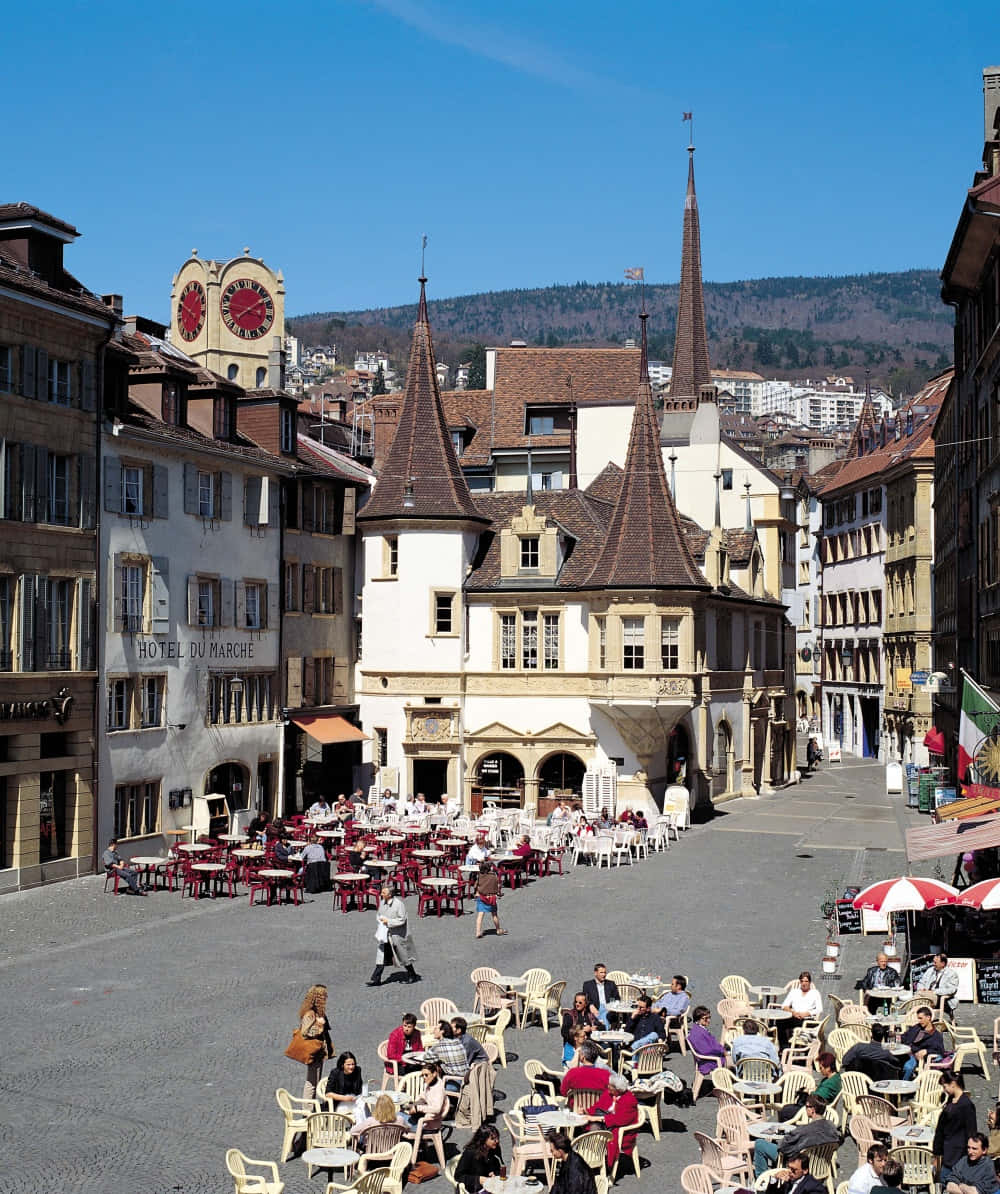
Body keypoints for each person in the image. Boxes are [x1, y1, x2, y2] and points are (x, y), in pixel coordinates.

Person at [754, 1095, 840, 1176]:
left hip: (799, 1166)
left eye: (806, 1106)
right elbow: (836, 1144)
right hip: (821, 1168)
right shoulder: (832, 1127)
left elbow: (783, 1148)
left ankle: (762, 1183)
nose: (805, 1109)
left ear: (812, 1110)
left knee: (760, 1144)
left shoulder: (804, 1130)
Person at [586, 1070, 639, 1171]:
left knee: (594, 1129)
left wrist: (597, 1118)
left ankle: (598, 1159)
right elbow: (598, 1106)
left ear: (617, 1089)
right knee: (590, 1127)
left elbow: (621, 1119)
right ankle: (595, 1155)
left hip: (620, 1128)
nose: (608, 1086)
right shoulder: (609, 1094)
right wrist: (586, 1111)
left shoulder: (629, 1100)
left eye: (610, 1086)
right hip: (607, 1122)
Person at [367, 884, 420, 986]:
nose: (381, 894)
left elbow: (402, 919)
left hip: (396, 934)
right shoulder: (382, 902)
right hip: (385, 934)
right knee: (381, 956)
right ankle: (376, 979)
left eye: (384, 893)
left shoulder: (399, 904)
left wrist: (388, 921)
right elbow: (378, 914)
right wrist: (380, 920)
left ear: (390, 894)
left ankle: (412, 974)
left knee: (402, 955)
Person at [933, 1072, 979, 1185]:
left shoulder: (966, 1105)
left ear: (953, 1084)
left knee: (949, 1182)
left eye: (945, 1086)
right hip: (948, 1150)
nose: (944, 1090)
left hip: (957, 1154)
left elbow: (971, 1132)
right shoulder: (952, 1100)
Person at [297, 983, 333, 1100]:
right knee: (312, 1083)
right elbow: (305, 1032)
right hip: (314, 1051)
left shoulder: (316, 1012)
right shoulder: (310, 1014)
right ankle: (308, 1109)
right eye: (324, 996)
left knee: (315, 1080)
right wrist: (320, 1027)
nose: (326, 998)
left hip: (319, 1051)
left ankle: (311, 1106)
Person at [560, 1040, 611, 1107]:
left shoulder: (572, 1073)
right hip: (598, 1110)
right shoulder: (605, 1075)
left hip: (576, 1108)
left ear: (582, 1057)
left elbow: (563, 1092)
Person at [454, 1124, 505, 1191]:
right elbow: (458, 1176)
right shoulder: (470, 1153)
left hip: (489, 1186)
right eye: (493, 1139)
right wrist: (478, 1179)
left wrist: (494, 1173)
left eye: (497, 1138)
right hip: (473, 1189)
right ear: (483, 1139)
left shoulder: (493, 1149)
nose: (497, 1141)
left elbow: (497, 1167)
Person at [545, 1129, 597, 1194]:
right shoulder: (567, 1159)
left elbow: (575, 1190)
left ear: (560, 1151)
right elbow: (559, 1185)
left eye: (552, 1150)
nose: (551, 1152)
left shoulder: (575, 1169)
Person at [424, 1019, 469, 1092]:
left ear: (442, 1031)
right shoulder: (458, 1042)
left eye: (436, 1029)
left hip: (454, 1083)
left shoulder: (439, 1046)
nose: (433, 1031)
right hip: (467, 1080)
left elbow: (426, 1058)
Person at [405, 1060, 448, 1135]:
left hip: (428, 1123)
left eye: (426, 1075)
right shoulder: (429, 1084)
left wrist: (417, 1108)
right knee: (399, 1114)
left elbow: (437, 1109)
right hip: (423, 1116)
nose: (424, 1077)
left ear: (434, 1074)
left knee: (398, 1122)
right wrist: (413, 1105)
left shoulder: (439, 1089)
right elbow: (423, 1096)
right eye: (423, 1075)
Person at [901, 1006, 945, 1079]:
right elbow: (905, 1036)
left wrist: (926, 1051)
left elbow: (940, 1051)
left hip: (914, 1055)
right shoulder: (917, 1027)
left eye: (920, 1018)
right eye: (918, 1018)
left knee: (908, 1067)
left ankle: (904, 1086)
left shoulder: (935, 1035)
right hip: (904, 1050)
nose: (919, 1021)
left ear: (928, 1017)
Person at [687, 1005, 729, 1079]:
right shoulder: (698, 1033)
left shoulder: (698, 1029)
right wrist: (723, 1052)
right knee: (733, 1061)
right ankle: (728, 1082)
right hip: (709, 1061)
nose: (708, 1020)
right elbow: (706, 1050)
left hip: (710, 1057)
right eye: (706, 1018)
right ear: (698, 1019)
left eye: (709, 1017)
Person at [918, 953, 961, 1019]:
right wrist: (921, 988)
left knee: (919, 998)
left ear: (943, 963)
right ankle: (915, 1017)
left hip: (940, 998)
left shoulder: (952, 974)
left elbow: (952, 989)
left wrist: (935, 992)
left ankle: (915, 1017)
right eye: (933, 962)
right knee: (918, 996)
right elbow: (921, 982)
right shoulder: (930, 970)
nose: (933, 964)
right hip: (925, 994)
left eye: (935, 962)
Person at [764, 1151, 828, 1194]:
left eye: (793, 1170)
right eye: (788, 1167)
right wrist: (775, 1179)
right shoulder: (791, 1180)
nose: (789, 1171)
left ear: (805, 1170)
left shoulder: (813, 1187)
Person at [561, 993, 599, 1065]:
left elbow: (601, 1026)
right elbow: (564, 1032)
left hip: (589, 1047)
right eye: (576, 1002)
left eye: (580, 1002)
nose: (577, 1004)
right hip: (574, 1047)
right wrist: (580, 1030)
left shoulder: (589, 1015)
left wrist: (591, 1028)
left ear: (586, 1004)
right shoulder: (570, 1015)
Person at [325, 1051, 364, 1116]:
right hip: (339, 1102)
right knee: (359, 1111)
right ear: (342, 1065)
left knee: (363, 1106)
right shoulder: (335, 1073)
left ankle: (366, 1125)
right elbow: (328, 1094)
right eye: (348, 1065)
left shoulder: (357, 1070)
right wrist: (345, 1098)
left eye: (353, 1064)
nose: (351, 1067)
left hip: (353, 1100)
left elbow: (359, 1089)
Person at [582, 963, 620, 1029]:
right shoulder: (588, 985)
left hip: (608, 1008)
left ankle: (604, 1031)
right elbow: (585, 998)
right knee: (601, 1016)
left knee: (604, 1016)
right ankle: (606, 1032)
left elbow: (616, 997)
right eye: (601, 972)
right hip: (596, 1008)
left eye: (605, 972)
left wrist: (611, 1006)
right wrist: (590, 1005)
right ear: (595, 973)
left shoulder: (611, 984)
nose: (604, 975)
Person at [474, 861, 506, 939]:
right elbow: (497, 887)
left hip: (482, 897)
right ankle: (498, 929)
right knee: (494, 914)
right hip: (491, 898)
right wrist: (497, 893)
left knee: (480, 915)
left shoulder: (480, 876)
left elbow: (476, 885)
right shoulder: (493, 877)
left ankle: (478, 932)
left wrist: (476, 892)